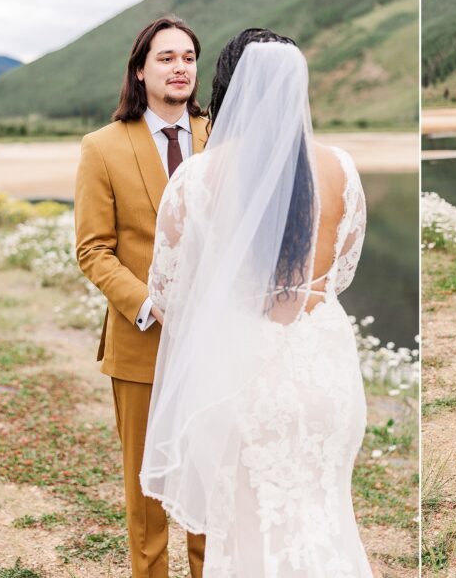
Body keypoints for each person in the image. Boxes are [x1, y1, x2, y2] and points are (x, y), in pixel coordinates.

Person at [139, 29, 373, 577]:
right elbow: (341, 273)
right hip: (324, 368)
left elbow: (167, 291)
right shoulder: (341, 168)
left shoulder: (197, 177)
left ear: (227, 89)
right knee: (325, 519)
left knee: (250, 532)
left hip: (241, 379)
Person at [75, 15, 208, 578]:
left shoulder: (220, 133)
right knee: (146, 498)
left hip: (215, 343)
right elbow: (93, 250)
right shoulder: (102, 148)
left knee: (209, 490)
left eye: (188, 57)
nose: (180, 68)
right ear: (139, 69)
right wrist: (151, 305)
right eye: (166, 58)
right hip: (142, 344)